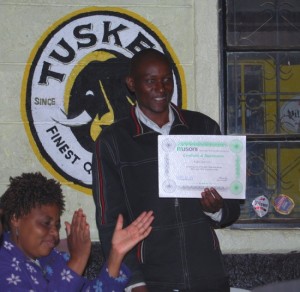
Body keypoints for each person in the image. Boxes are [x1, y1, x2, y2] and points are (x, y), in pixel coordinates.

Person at [92, 48, 240, 291]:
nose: (161, 89)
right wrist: (134, 281)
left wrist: (216, 209)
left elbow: (232, 207)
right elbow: (110, 222)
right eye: (150, 81)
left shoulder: (203, 126)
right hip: (151, 280)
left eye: (166, 80)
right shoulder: (113, 141)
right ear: (132, 83)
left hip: (208, 276)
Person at [0, 172, 154, 291]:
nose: (54, 234)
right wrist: (78, 259)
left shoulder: (52, 259)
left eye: (57, 225)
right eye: (46, 223)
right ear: (16, 218)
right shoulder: (4, 264)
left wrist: (115, 256)